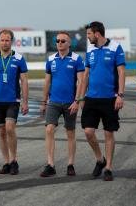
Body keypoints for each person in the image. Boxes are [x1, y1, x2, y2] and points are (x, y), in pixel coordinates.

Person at [79, 21, 126, 181]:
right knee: (88, 131)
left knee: (108, 133)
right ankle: (100, 159)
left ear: (97, 33)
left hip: (109, 98)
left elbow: (121, 73)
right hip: (91, 98)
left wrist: (120, 94)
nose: (88, 37)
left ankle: (108, 168)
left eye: (89, 34)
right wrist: (81, 97)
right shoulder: (90, 49)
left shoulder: (115, 47)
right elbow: (85, 76)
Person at [39, 31, 84, 177]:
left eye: (63, 41)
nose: (59, 43)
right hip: (54, 102)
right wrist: (44, 101)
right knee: (49, 129)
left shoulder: (77, 59)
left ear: (69, 43)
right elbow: (47, 82)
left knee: (70, 132)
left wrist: (77, 100)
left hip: (71, 103)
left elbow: (81, 82)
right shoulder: (51, 59)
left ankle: (70, 164)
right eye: (57, 41)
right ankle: (50, 164)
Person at [0, 29, 29, 175]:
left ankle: (14, 160)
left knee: (10, 128)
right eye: (2, 40)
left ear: (12, 41)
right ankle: (6, 162)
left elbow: (24, 81)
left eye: (7, 40)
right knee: (2, 132)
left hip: (13, 100)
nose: (4, 42)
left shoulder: (19, 59)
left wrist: (25, 102)